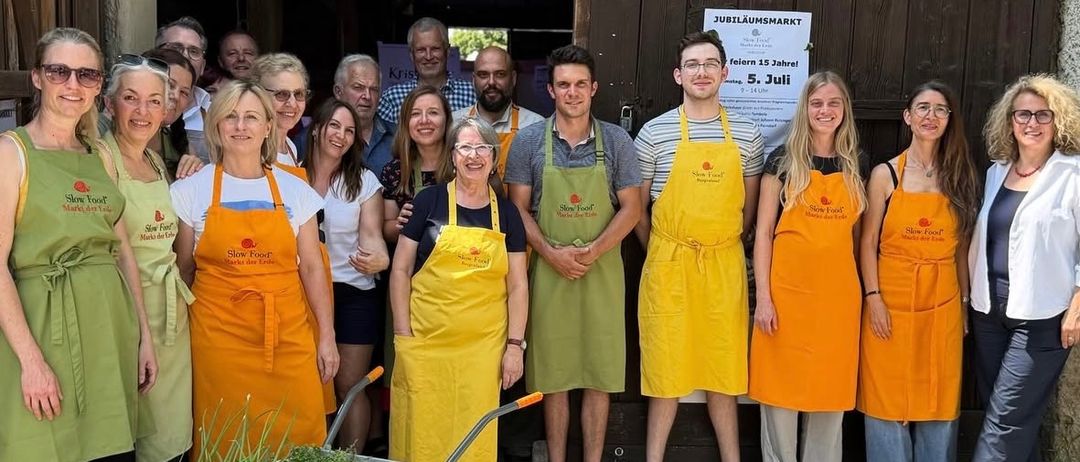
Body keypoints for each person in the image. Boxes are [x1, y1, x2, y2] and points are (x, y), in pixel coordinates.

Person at [0, 27, 157, 462]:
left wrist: (143, 335)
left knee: (112, 451)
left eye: (87, 75)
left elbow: (122, 251)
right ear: (37, 77)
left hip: (110, 327)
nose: (73, 85)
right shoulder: (10, 154)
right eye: (59, 71)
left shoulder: (99, 154)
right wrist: (30, 362)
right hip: (42, 329)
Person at [172, 80, 337, 456]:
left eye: (251, 117)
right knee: (224, 436)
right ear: (216, 125)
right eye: (230, 116)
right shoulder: (190, 191)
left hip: (288, 336)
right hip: (217, 341)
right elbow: (184, 272)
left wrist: (325, 336)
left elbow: (312, 269)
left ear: (268, 126)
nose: (240, 126)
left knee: (298, 435)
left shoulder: (295, 191)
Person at [505, 45, 642, 462]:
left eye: (581, 84)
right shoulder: (529, 142)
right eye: (563, 85)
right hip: (548, 274)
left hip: (602, 273)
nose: (573, 92)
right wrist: (550, 252)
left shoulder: (617, 141)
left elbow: (633, 208)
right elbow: (517, 209)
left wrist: (592, 250)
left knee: (599, 375)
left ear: (594, 88)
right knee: (555, 377)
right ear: (550, 90)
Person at [633, 31, 764, 462]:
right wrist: (663, 248)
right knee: (665, 372)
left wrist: (721, 242)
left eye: (710, 63)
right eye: (693, 64)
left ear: (725, 73)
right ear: (678, 74)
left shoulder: (747, 135)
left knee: (722, 370)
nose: (702, 71)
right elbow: (636, 207)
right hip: (668, 266)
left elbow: (749, 208)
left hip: (724, 264)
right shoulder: (654, 133)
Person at [389, 117, 528, 461]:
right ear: (452, 156)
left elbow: (518, 285)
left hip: (483, 351)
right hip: (425, 343)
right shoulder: (428, 203)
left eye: (483, 147)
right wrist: (403, 333)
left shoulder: (508, 214)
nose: (474, 156)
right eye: (465, 147)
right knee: (420, 432)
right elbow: (401, 270)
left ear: (494, 158)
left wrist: (514, 346)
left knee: (474, 433)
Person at [857, 81, 979, 462]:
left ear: (949, 120)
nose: (931, 116)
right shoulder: (885, 175)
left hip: (941, 299)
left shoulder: (960, 176)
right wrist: (872, 298)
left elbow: (961, 247)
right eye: (923, 108)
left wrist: (963, 302)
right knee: (885, 395)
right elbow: (866, 242)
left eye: (940, 109)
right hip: (889, 299)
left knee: (939, 395)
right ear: (908, 117)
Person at [748, 71, 866, 462]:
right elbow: (763, 233)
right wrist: (763, 298)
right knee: (779, 395)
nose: (825, 110)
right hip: (785, 298)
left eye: (834, 103)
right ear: (805, 109)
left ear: (844, 109)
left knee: (829, 396)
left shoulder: (857, 164)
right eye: (817, 103)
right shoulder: (781, 161)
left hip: (838, 301)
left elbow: (859, 240)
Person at [969, 74, 1080, 461]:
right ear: (1009, 121)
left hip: (1041, 317)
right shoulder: (997, 172)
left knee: (1004, 425)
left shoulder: (1073, 174)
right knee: (1009, 420)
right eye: (1023, 115)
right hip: (988, 313)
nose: (1032, 123)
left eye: (1042, 115)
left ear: (1058, 120)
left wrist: (1077, 309)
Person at [100, 53, 199, 462]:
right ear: (109, 105)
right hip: (129, 315)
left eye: (154, 101)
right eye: (131, 98)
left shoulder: (158, 162)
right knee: (139, 436)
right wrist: (140, 332)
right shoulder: (102, 159)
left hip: (172, 316)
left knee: (174, 433)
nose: (143, 111)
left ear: (167, 110)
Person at [302, 99, 390, 451]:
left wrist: (380, 259)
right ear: (318, 127)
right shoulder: (290, 174)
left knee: (349, 385)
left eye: (350, 130)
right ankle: (316, 454)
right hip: (303, 291)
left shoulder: (363, 181)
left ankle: (352, 457)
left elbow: (372, 238)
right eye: (334, 126)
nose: (341, 135)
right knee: (312, 383)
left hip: (353, 293)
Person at [452, 46, 544, 181]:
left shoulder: (536, 126)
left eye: (500, 74)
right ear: (473, 80)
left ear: (513, 78)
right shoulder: (454, 123)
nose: (491, 82)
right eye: (483, 75)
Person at [380, 86, 454, 243]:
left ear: (447, 119)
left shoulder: (462, 163)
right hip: (411, 264)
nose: (424, 120)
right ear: (406, 123)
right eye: (415, 114)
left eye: (433, 112)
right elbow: (386, 229)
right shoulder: (394, 171)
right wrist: (401, 225)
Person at [376, 17, 475, 125]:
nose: (428, 56)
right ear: (411, 55)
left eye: (435, 49)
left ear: (447, 52)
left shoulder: (472, 95)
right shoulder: (392, 99)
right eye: (421, 50)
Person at [155, 16, 212, 163]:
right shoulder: (128, 107)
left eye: (194, 51)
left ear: (203, 66)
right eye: (175, 48)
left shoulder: (216, 111)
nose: (185, 56)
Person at [332, 54, 395, 174]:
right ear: (338, 92)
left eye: (374, 89)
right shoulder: (313, 139)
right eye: (358, 87)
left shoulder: (399, 138)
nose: (367, 96)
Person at [141, 48, 197, 179]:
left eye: (184, 92)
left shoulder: (180, 145)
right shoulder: (104, 131)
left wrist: (194, 172)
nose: (176, 96)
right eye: (170, 85)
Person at [253, 53, 310, 177]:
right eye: (282, 94)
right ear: (258, 95)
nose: (292, 103)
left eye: (299, 94)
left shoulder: (290, 146)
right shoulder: (252, 149)